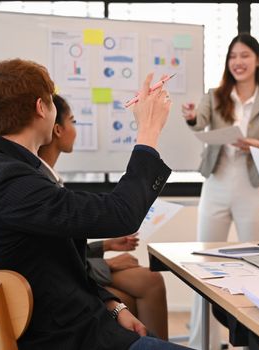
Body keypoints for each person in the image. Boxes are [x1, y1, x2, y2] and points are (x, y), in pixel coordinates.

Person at [0, 58, 190, 350]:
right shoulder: (11, 180)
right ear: (41, 107)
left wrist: (114, 305)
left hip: (82, 325)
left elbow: (60, 265)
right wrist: (148, 131)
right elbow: (120, 214)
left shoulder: (7, 169)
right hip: (71, 340)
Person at [181, 33, 259, 349]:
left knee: (255, 263)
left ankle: (250, 340)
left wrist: (256, 144)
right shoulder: (214, 96)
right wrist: (189, 117)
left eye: (244, 55)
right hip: (216, 184)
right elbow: (198, 123)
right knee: (202, 264)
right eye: (232, 57)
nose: (238, 62)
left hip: (251, 187)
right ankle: (203, 342)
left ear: (257, 60)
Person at [38, 94, 168, 340]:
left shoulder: (42, 178)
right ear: (56, 129)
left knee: (145, 284)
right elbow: (60, 261)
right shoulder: (39, 185)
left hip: (78, 271)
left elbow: (60, 244)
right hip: (73, 282)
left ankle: (149, 342)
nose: (77, 130)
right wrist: (107, 263)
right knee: (146, 284)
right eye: (73, 121)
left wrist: (106, 246)